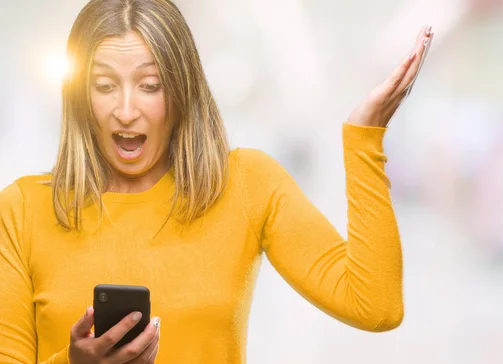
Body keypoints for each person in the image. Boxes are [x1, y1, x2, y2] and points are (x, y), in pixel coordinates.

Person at [0, 0, 433, 363]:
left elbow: (376, 305)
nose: (126, 110)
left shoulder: (246, 183)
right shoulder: (21, 209)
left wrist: (364, 137)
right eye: (105, 85)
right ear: (80, 95)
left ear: (182, 90)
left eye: (150, 85)